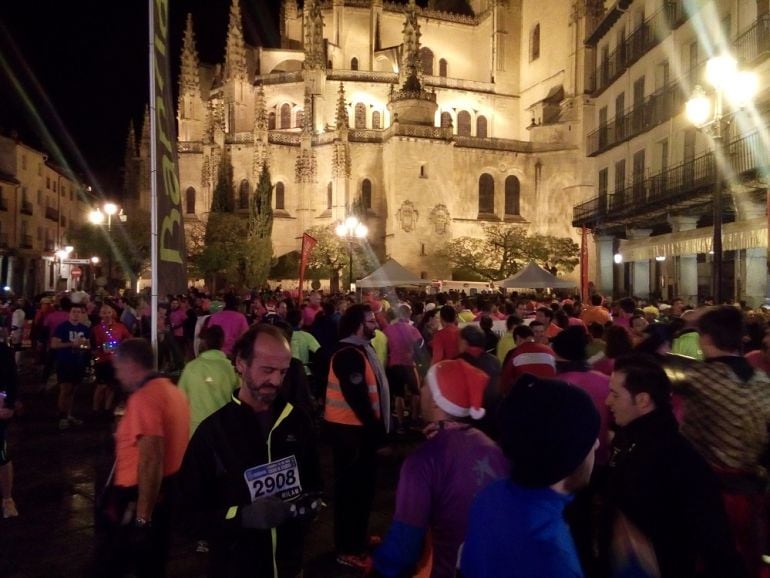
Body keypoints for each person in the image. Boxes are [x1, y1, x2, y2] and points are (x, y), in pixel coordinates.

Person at [178, 324, 322, 577]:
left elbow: (313, 482)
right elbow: (186, 516)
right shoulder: (212, 433)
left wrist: (309, 505)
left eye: (283, 372)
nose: (276, 380)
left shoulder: (298, 421)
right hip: (236, 568)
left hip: (291, 565)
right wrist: (241, 516)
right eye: (267, 370)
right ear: (241, 364)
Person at [604, 354, 746, 578]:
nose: (607, 402)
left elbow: (714, 540)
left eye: (614, 394)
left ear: (642, 400)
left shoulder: (679, 459)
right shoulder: (628, 437)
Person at [372, 359, 508, 578]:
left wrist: (380, 570)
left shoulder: (424, 460)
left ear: (437, 400)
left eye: (426, 385)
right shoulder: (491, 446)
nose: (421, 390)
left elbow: (405, 543)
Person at [459, 375, 600, 578]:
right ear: (566, 456)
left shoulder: (489, 496)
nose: (596, 445)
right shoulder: (554, 561)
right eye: (589, 439)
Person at [680, 306, 770, 577]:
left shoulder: (698, 378)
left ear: (705, 338)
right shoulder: (763, 382)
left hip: (710, 491)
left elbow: (645, 359)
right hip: (754, 490)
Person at [95, 338, 190, 578]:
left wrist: (141, 519)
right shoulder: (171, 390)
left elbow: (151, 459)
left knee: (114, 562)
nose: (117, 376)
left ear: (130, 364)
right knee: (153, 562)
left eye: (118, 369)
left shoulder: (144, 398)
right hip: (166, 489)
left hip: (137, 496)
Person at [325, 304, 391, 569]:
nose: (376, 323)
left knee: (363, 491)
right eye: (371, 320)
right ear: (357, 324)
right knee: (350, 493)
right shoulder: (347, 354)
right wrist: (377, 435)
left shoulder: (363, 350)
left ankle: (358, 539)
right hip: (350, 435)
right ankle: (347, 548)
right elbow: (358, 399)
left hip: (360, 433)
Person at [177, 324, 239, 437]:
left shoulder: (191, 368)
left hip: (196, 432)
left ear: (204, 342)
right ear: (222, 342)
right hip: (224, 430)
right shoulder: (232, 369)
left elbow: (180, 401)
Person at [383, 304, 424, 433]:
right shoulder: (412, 329)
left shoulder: (388, 329)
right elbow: (420, 346)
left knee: (399, 395)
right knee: (415, 393)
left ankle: (400, 424)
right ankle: (414, 420)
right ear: (408, 315)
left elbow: (386, 347)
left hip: (394, 364)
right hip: (409, 364)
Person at [51, 302, 90, 430]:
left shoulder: (84, 329)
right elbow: (54, 344)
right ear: (69, 313)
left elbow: (88, 345)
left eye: (79, 312)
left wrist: (83, 346)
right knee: (65, 389)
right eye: (74, 311)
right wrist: (71, 345)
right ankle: (61, 416)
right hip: (65, 361)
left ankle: (68, 414)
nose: (76, 314)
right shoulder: (62, 327)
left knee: (73, 390)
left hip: (78, 362)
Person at [91, 302, 132, 416]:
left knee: (111, 386)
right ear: (100, 314)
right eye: (104, 313)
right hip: (102, 361)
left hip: (116, 361)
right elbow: (96, 345)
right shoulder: (96, 329)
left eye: (109, 312)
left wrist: (120, 344)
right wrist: (113, 346)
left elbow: (129, 338)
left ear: (113, 313)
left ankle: (107, 410)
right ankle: (96, 410)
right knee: (101, 386)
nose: (107, 315)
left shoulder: (120, 326)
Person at [499, 324, 556, 395]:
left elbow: (505, 381)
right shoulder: (549, 350)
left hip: (525, 397)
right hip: (549, 395)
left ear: (518, 338)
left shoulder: (514, 353)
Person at [0, 334, 19, 518]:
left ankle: (7, 499)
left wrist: (10, 404)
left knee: (2, 456)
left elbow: (12, 379)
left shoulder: (3, 351)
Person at [207, 293, 249, 358]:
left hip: (215, 353)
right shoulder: (241, 318)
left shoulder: (215, 317)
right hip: (233, 354)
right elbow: (245, 336)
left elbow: (209, 335)